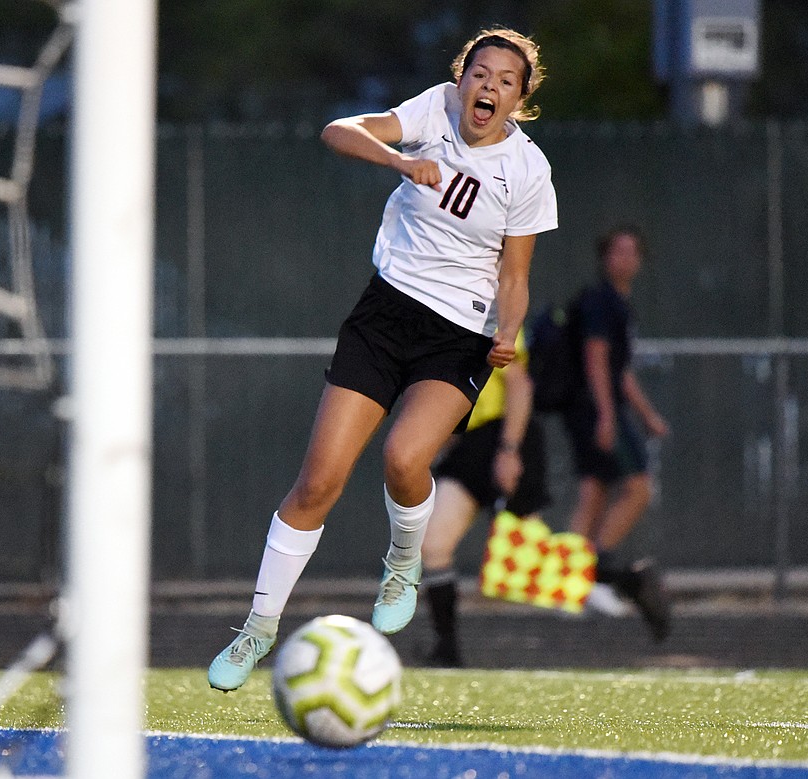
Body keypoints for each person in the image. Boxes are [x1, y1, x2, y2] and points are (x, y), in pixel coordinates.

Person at [207, 27, 559, 692]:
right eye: (479, 73)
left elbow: (516, 275)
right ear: (461, 80)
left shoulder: (528, 171)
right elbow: (338, 130)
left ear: (520, 98)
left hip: (458, 335)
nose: (489, 86)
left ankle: (403, 560)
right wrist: (400, 162)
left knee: (404, 457)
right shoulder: (431, 112)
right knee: (318, 481)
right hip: (385, 314)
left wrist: (509, 329)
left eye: (505, 80)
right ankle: (257, 628)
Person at [563, 226, 672, 641]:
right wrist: (607, 416)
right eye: (618, 250)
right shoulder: (600, 302)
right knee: (639, 487)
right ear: (604, 257)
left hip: (599, 408)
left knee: (593, 492)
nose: (626, 258)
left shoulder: (622, 306)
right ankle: (596, 570)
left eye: (633, 251)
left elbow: (621, 371)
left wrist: (647, 415)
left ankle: (572, 585)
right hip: (594, 409)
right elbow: (596, 360)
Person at [420, 329, 549, 667]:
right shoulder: (435, 312)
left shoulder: (495, 310)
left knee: (535, 562)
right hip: (468, 447)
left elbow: (519, 384)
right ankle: (446, 650)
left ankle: (629, 580)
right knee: (433, 545)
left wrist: (509, 449)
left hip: (503, 436)